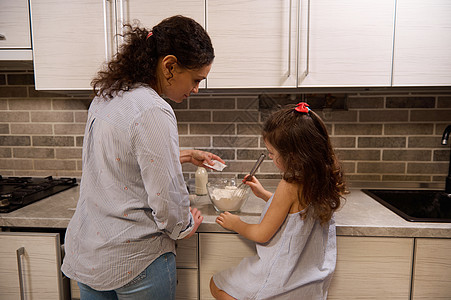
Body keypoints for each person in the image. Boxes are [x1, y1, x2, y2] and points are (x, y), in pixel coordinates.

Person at [62, 15, 222, 299]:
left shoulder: (107, 95)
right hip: (137, 261)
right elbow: (167, 201)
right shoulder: (153, 109)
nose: (196, 89)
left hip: (89, 255)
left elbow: (118, 159)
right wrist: (185, 226)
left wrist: (183, 155)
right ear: (169, 65)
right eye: (196, 79)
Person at [210, 102, 347, 299]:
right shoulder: (321, 177)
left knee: (217, 284)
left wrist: (236, 223)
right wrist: (265, 194)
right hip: (307, 280)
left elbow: (261, 234)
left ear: (292, 156)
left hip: (280, 279)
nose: (271, 158)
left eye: (272, 153)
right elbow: (297, 211)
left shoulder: (290, 184)